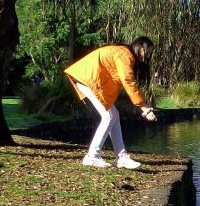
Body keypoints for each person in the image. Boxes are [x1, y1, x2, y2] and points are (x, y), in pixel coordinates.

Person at [63, 38, 157, 169]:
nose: (147, 55)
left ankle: (121, 157)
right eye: (147, 51)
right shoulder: (124, 54)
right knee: (109, 116)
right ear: (140, 47)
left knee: (114, 114)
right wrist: (144, 107)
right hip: (88, 79)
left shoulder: (122, 52)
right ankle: (92, 156)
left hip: (88, 79)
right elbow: (128, 81)